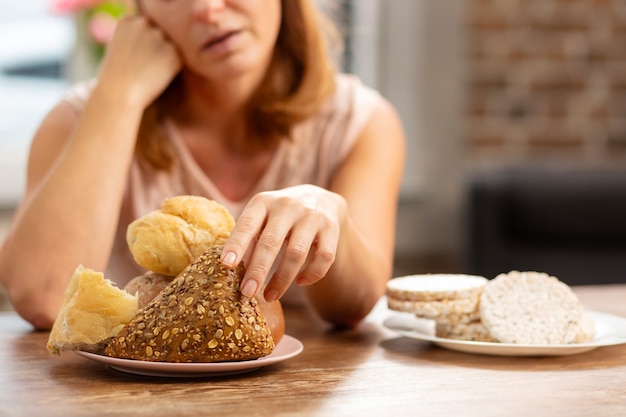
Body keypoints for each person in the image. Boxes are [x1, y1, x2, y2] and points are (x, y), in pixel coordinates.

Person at [0, 0, 405, 330]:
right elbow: (44, 299)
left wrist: (328, 214)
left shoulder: (362, 122)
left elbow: (353, 307)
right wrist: (118, 96)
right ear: (142, 13)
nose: (208, 9)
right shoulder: (77, 120)